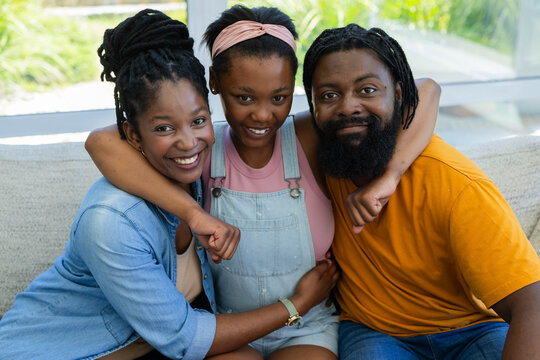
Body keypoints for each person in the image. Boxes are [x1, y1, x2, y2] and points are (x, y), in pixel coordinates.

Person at [84, 5, 440, 359]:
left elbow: (426, 89)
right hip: (230, 328)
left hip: (307, 329)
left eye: (279, 98)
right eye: (244, 97)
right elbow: (100, 142)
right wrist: (193, 213)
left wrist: (390, 176)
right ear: (214, 82)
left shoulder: (308, 138)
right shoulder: (200, 149)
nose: (263, 115)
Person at [0, 10, 340, 360]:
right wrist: (296, 304)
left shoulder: (191, 175)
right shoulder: (113, 220)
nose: (188, 142)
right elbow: (185, 338)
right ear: (132, 134)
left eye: (197, 120)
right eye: (163, 128)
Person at [301, 23, 540, 360]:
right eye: (328, 95)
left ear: (398, 95)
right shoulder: (322, 147)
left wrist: (390, 174)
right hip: (375, 328)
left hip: (471, 328)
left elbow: (532, 303)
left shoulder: (453, 183)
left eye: (367, 90)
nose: (347, 107)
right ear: (312, 105)